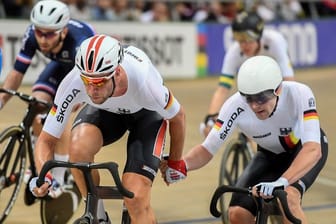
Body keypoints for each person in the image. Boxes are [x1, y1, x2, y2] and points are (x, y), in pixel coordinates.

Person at [29, 34, 186, 224]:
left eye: (99, 82)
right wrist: (43, 175)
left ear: (117, 72)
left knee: (134, 197)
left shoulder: (145, 81)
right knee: (77, 149)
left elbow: (178, 117)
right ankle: (99, 217)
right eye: (87, 82)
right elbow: (46, 139)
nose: (92, 90)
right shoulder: (73, 82)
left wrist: (175, 162)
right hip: (105, 110)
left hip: (146, 115)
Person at [161, 55, 328, 224]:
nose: (255, 105)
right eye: (249, 98)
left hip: (302, 151)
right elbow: (207, 149)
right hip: (269, 155)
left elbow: (313, 149)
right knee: (237, 213)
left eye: (261, 98)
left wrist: (282, 182)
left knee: (289, 198)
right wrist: (183, 165)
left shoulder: (300, 93)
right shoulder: (235, 105)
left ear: (277, 90)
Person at [0, 0, 95, 203]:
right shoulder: (31, 34)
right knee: (36, 106)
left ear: (63, 31)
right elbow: (17, 72)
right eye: (39, 32)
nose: (42, 39)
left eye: (49, 34)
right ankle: (37, 163)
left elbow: (86, 82)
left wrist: (71, 105)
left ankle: (59, 178)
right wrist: (2, 100)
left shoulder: (80, 41)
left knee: (61, 114)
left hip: (83, 75)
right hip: (58, 67)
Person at [201, 11, 295, 137]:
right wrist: (211, 116)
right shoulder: (234, 52)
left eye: (248, 39)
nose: (244, 45)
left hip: (273, 76)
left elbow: (289, 81)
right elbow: (222, 88)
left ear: (258, 36)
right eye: (239, 40)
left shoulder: (274, 41)